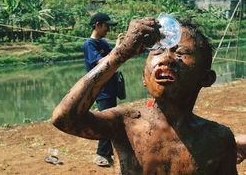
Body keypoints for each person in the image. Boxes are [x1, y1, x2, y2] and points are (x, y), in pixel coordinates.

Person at [52, 17, 237, 174]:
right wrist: (121, 52)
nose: (166, 58)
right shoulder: (126, 123)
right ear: (144, 77)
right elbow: (64, 118)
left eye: (181, 53)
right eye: (157, 51)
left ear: (206, 78)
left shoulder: (218, 139)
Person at [83, 12, 120, 167]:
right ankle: (101, 154)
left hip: (110, 88)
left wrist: (119, 48)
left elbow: (114, 58)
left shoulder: (103, 43)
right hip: (101, 89)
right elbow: (102, 62)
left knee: (111, 120)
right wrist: (118, 48)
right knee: (105, 121)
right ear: (98, 25)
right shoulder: (89, 44)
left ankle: (108, 152)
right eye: (107, 26)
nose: (108, 30)